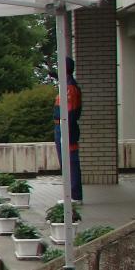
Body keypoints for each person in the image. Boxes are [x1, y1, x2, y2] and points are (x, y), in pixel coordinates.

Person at [56, 62, 83, 201]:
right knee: (65, 161)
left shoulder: (70, 87)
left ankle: (74, 194)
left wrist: (66, 130)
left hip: (66, 127)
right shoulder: (66, 85)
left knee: (70, 161)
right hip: (62, 126)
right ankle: (70, 193)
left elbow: (71, 112)